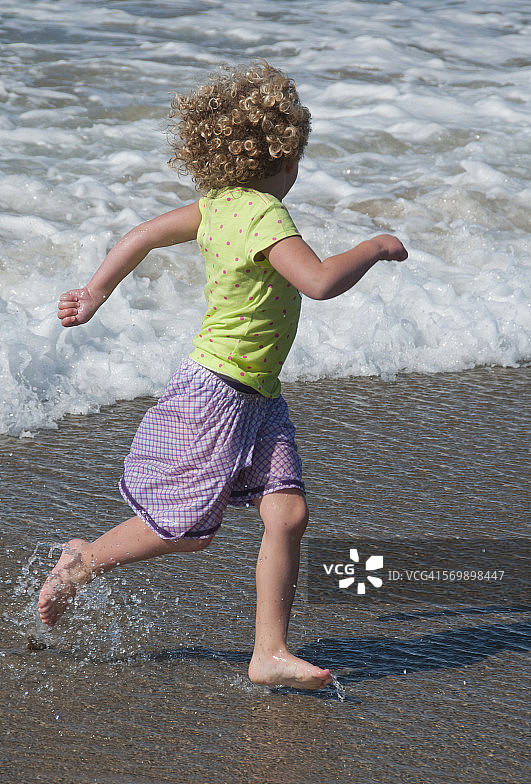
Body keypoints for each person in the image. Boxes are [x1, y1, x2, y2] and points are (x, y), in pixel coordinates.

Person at [38, 62, 407, 690]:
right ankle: (83, 561)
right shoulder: (265, 215)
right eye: (296, 160)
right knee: (185, 532)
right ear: (281, 157)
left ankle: (269, 652)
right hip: (217, 393)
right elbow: (318, 282)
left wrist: (95, 292)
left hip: (259, 394)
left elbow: (142, 235)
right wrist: (374, 246)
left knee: (287, 515)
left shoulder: (215, 206)